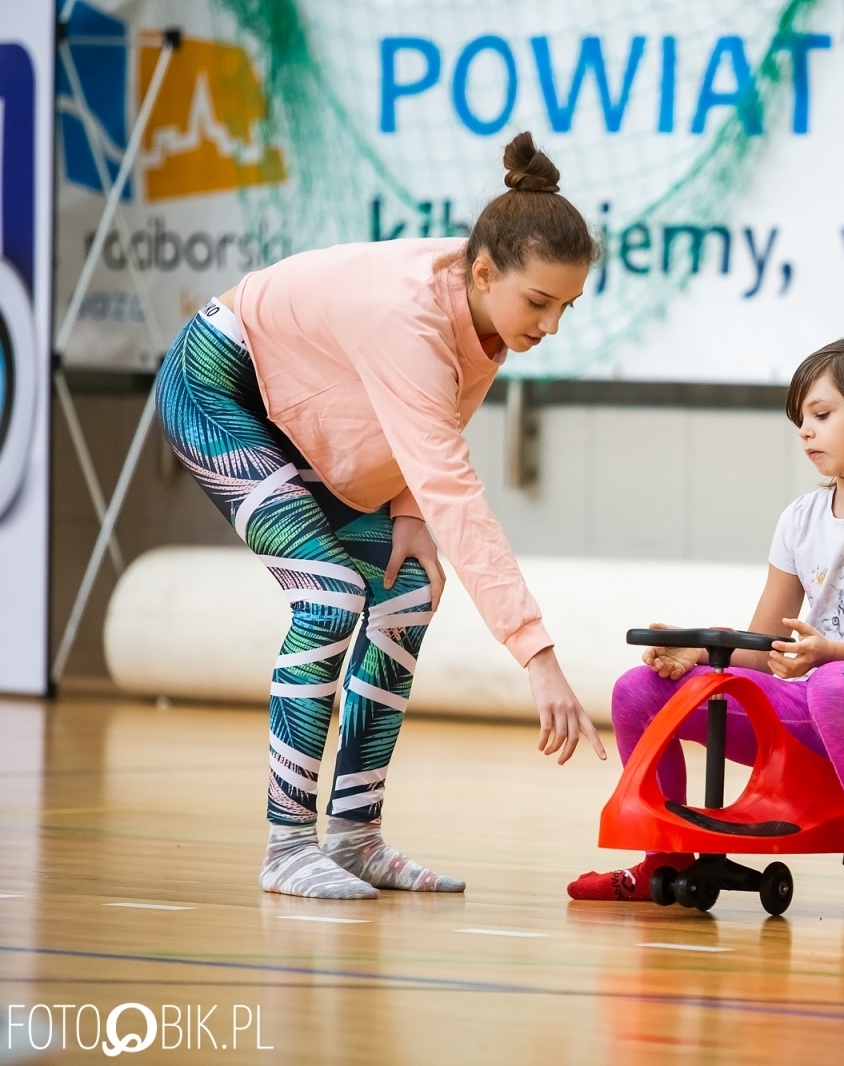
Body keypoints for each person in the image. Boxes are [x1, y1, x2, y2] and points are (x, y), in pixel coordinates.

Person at [155, 133, 608, 900]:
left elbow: (431, 424)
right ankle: (287, 846)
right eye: (540, 303)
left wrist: (406, 512)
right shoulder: (408, 315)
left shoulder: (482, 306)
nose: (551, 326)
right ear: (485, 270)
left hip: (299, 415)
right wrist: (539, 657)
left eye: (566, 307)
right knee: (329, 596)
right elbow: (455, 489)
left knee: (406, 591)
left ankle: (355, 838)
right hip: (217, 388)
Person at [568, 338, 844, 922]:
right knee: (638, 690)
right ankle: (662, 861)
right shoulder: (800, 518)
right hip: (816, 699)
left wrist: (823, 652)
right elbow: (758, 652)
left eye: (822, 416)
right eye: (801, 419)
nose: (806, 432)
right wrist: (696, 652)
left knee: (834, 684)